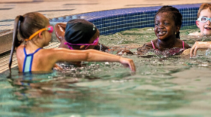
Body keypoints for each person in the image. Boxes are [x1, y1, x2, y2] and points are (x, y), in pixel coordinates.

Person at [8, 12, 136, 74]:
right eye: (50, 29)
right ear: (41, 34)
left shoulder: (20, 49)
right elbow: (88, 55)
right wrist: (120, 58)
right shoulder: (49, 55)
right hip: (42, 100)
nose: (52, 32)